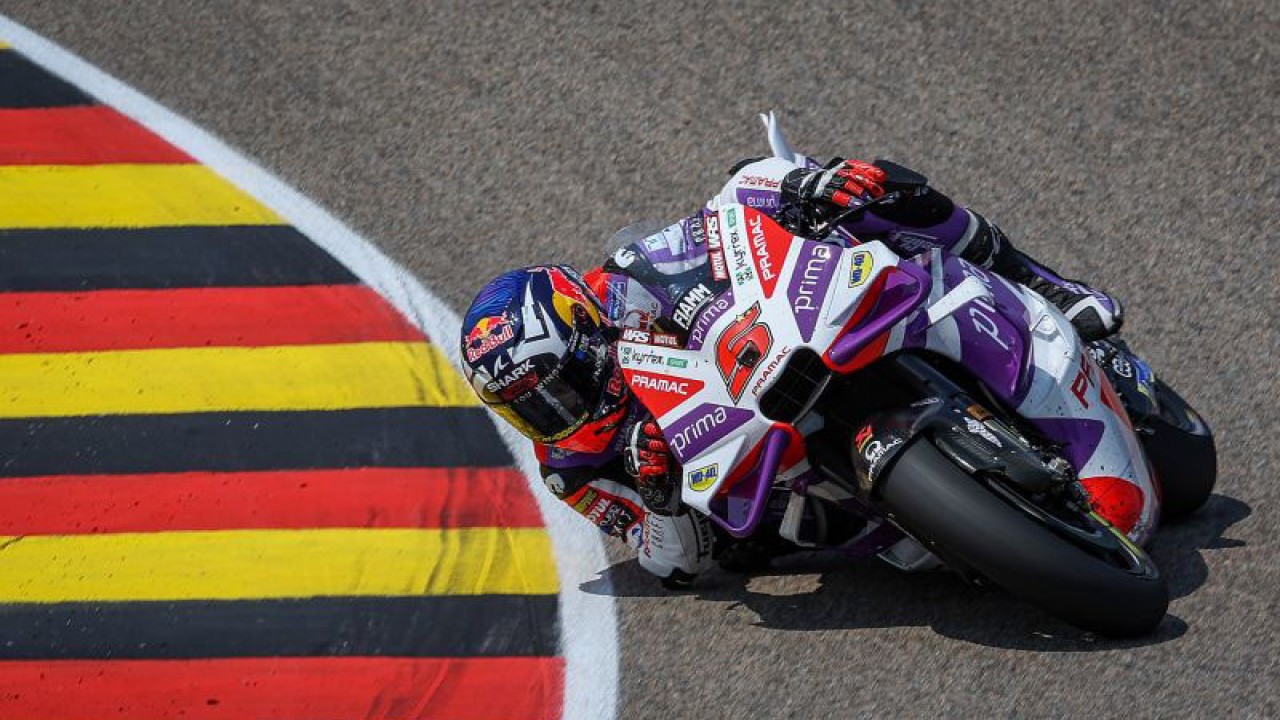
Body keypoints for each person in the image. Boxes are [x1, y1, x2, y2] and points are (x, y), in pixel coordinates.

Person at [459, 151, 1124, 587]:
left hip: (779, 356)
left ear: (585, 334)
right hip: (767, 495)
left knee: (874, 193)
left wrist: (803, 186)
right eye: (529, 409)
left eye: (559, 388)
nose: (556, 415)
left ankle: (1042, 283)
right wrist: (661, 498)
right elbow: (666, 560)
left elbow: (722, 214)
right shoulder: (569, 468)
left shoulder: (624, 282)